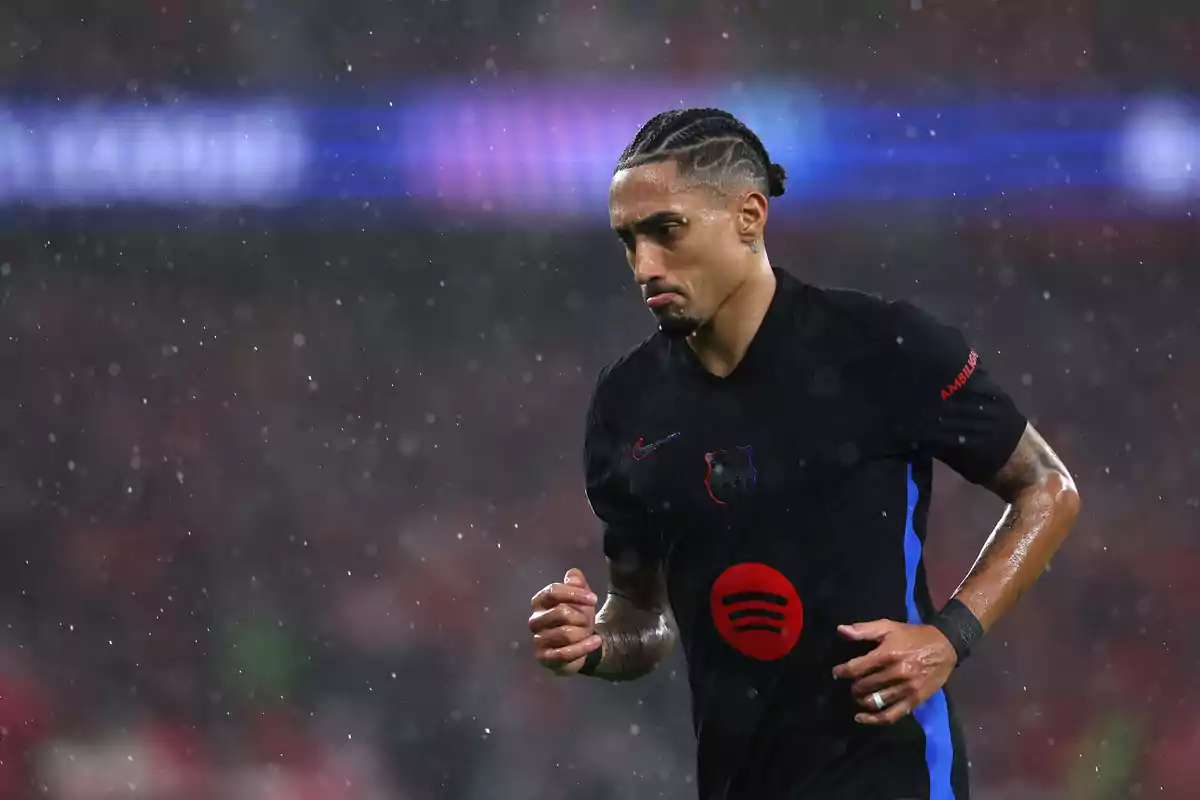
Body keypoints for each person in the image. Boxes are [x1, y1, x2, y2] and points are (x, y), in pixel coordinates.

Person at [526, 108, 1081, 799]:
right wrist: (595, 644)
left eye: (666, 231)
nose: (644, 265)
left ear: (748, 216)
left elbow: (1047, 489)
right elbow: (642, 616)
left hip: (894, 774)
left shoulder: (882, 347)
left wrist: (948, 638)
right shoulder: (626, 402)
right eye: (627, 240)